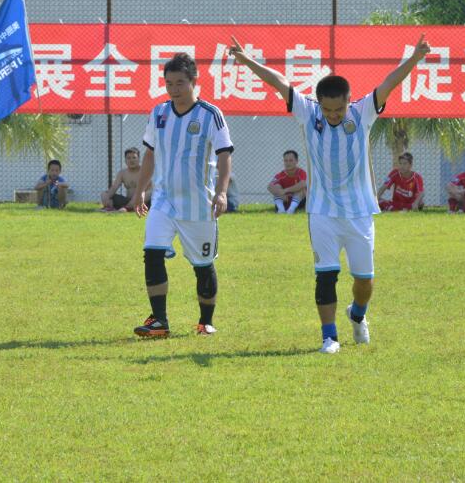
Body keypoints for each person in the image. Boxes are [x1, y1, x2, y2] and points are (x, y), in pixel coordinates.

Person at [229, 33, 431, 353]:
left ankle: (357, 315)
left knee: (364, 281)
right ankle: (329, 337)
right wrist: (246, 60)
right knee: (326, 275)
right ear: (319, 103)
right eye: (328, 109)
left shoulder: (363, 112)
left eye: (339, 109)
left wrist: (416, 58)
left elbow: (389, 83)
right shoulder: (308, 112)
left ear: (349, 102)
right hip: (322, 211)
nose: (333, 115)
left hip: (360, 211)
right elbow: (278, 81)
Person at [131, 53, 234, 338]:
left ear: (194, 81)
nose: (174, 89)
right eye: (169, 83)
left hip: (198, 205)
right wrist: (140, 191)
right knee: (152, 253)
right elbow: (150, 154)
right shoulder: (159, 113)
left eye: (180, 83)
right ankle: (159, 321)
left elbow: (224, 155)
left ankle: (205, 322)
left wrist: (222, 193)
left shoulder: (210, 115)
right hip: (163, 201)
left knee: (203, 265)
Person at [100, 147, 150, 212]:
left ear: (139, 159)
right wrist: (107, 197)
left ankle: (127, 208)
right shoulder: (122, 173)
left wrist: (131, 204)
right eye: (128, 158)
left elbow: (144, 190)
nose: (131, 160)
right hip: (127, 200)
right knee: (104, 194)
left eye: (134, 157)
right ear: (125, 160)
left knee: (142, 193)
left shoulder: (144, 171)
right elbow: (114, 188)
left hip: (143, 201)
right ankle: (110, 207)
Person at [267, 150, 307, 214]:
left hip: (299, 203)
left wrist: (285, 190)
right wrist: (280, 193)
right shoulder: (280, 175)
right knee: (276, 186)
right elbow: (269, 187)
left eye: (291, 160)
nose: (288, 163)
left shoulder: (301, 172)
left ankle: (291, 210)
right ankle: (281, 210)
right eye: (285, 160)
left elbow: (303, 184)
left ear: (296, 161)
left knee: (303, 189)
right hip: (285, 201)